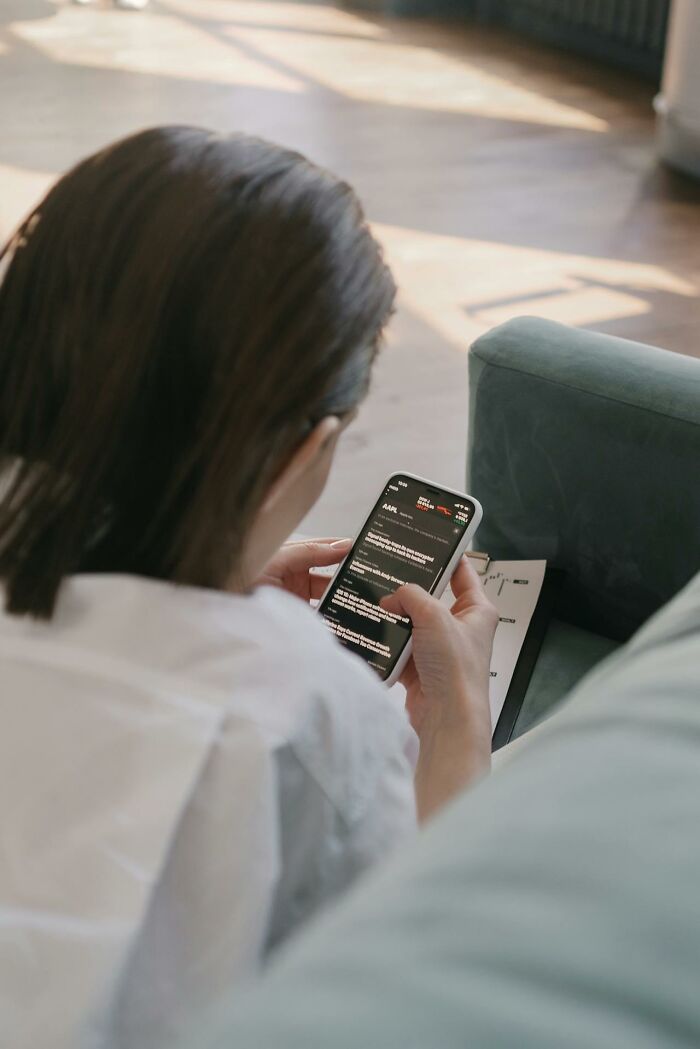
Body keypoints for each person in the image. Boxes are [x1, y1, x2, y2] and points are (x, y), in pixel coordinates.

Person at [0, 127, 497, 1049]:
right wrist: (456, 747)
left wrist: (188, 576)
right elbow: (411, 996)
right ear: (307, 448)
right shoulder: (310, 706)